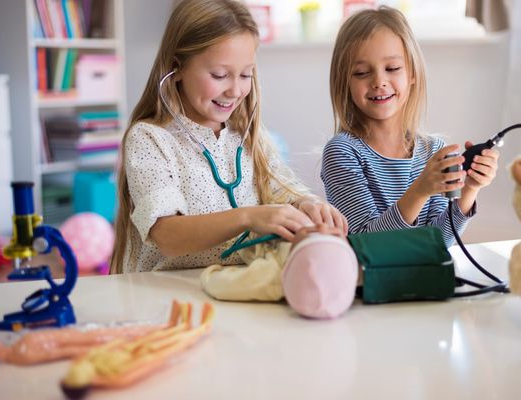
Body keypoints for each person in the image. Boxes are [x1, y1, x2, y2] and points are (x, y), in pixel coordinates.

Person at [110, 0, 346, 274]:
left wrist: (308, 204)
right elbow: (167, 236)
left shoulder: (247, 137)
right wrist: (248, 217)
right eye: (220, 75)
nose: (235, 90)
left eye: (246, 74)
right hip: (170, 294)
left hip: (236, 287)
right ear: (177, 67)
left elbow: (282, 191)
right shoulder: (150, 139)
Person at [321, 6, 499, 247]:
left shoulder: (433, 151)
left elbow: (438, 242)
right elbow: (367, 245)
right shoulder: (342, 153)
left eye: (392, 69)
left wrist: (469, 190)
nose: (379, 82)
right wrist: (419, 191)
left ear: (412, 73)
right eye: (362, 72)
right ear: (344, 82)